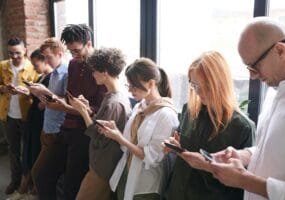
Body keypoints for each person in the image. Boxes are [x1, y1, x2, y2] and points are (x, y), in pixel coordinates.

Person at [209, 17, 285, 200]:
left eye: (255, 66)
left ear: (280, 51)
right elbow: (274, 149)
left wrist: (244, 180)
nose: (252, 77)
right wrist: (244, 155)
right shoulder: (274, 90)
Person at [164, 51, 255, 200]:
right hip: (176, 193)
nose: (199, 92)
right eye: (194, 85)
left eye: (206, 86)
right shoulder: (189, 110)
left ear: (220, 83)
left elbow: (242, 183)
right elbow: (183, 146)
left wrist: (207, 166)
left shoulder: (242, 127)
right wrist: (175, 145)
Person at [33, 24, 106, 200]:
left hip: (85, 132)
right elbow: (69, 96)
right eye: (71, 51)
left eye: (76, 50)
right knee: (42, 175)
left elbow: (102, 109)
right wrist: (53, 99)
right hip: (65, 127)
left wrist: (71, 107)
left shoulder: (102, 67)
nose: (73, 55)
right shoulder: (73, 64)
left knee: (71, 186)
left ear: (88, 44)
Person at [100, 57, 179, 200]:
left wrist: (119, 138)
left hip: (146, 184)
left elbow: (152, 158)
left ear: (151, 83)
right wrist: (115, 132)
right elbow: (128, 143)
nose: (130, 90)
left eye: (134, 86)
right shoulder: (140, 106)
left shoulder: (166, 115)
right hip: (126, 172)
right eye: (128, 85)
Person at [68, 47, 131, 200]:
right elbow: (103, 125)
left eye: (95, 71)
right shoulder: (114, 96)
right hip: (103, 163)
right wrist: (89, 110)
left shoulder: (114, 102)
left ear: (105, 72)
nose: (93, 74)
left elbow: (100, 137)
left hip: (102, 165)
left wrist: (82, 112)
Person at [26, 38, 68, 200]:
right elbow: (52, 101)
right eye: (44, 57)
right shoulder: (55, 73)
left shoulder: (66, 73)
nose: (46, 61)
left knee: (39, 174)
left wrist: (46, 92)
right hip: (48, 127)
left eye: (49, 57)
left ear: (60, 54)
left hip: (57, 130)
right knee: (46, 176)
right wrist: (40, 95)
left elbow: (66, 102)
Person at [9, 49, 53, 200]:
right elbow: (37, 95)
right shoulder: (43, 76)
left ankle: (29, 190)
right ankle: (24, 189)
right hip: (33, 118)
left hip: (41, 120)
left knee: (34, 153)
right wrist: (26, 91)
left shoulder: (53, 77)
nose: (34, 68)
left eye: (36, 65)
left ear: (45, 60)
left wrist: (44, 102)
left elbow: (52, 101)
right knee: (27, 152)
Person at [0, 37, 39, 195]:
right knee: (13, 150)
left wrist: (26, 91)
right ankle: (15, 180)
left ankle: (29, 181)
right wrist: (4, 88)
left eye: (17, 53)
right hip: (8, 115)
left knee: (29, 151)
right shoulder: (2, 66)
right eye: (11, 53)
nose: (14, 56)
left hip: (27, 116)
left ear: (25, 51)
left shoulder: (34, 68)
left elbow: (38, 92)